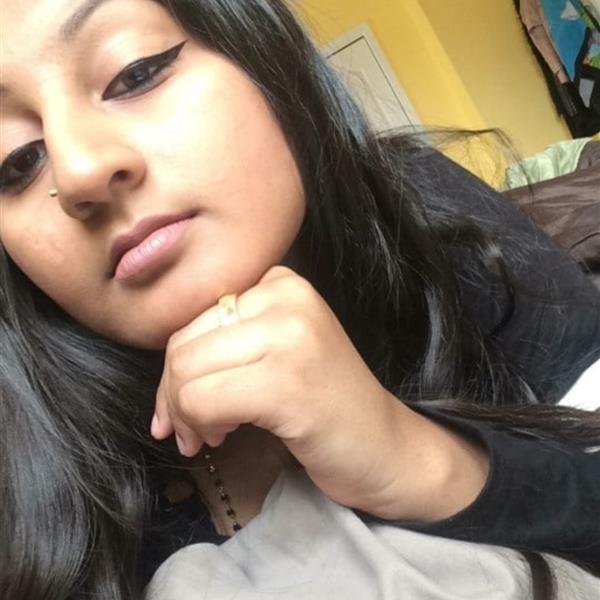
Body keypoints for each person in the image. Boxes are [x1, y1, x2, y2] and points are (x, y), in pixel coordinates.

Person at [1, 0, 599, 598]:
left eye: (136, 72)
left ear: (256, 46)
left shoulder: (430, 215)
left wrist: (419, 460)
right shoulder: (30, 476)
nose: (79, 172)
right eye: (17, 162)